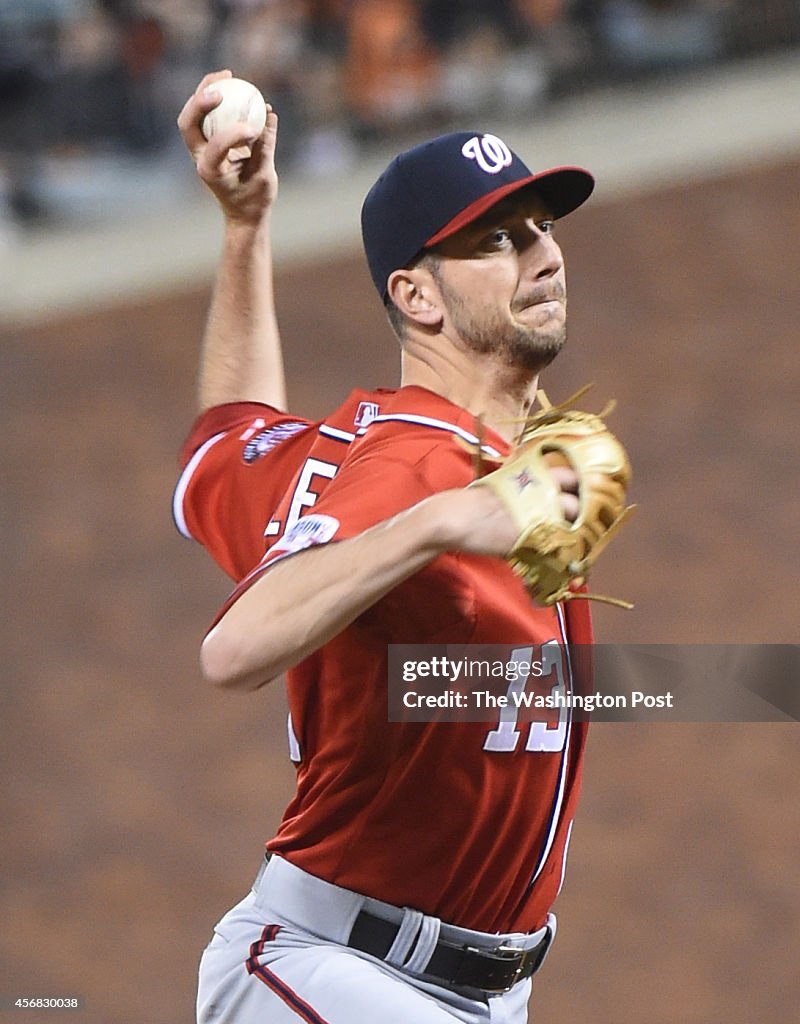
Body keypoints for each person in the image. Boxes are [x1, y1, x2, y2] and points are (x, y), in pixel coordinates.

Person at [176, 69, 601, 1024]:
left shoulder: (356, 461)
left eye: (540, 228)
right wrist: (439, 523)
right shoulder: (413, 474)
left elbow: (224, 439)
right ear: (417, 296)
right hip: (336, 969)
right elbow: (232, 648)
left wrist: (244, 232)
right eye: (496, 239)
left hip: (469, 991)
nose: (542, 254)